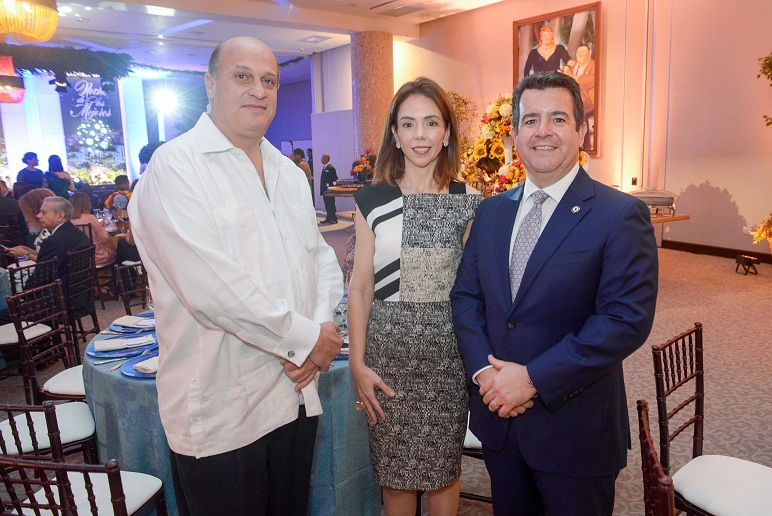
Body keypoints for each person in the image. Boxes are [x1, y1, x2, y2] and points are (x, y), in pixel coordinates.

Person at [128, 36, 343, 516]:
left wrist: (321, 326)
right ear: (210, 83)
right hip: (222, 409)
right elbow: (211, 288)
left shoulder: (288, 172)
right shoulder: (175, 167)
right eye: (242, 76)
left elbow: (318, 259)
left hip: (294, 392)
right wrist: (308, 339)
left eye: (269, 80)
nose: (258, 90)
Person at [450, 71, 658, 515]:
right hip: (500, 423)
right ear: (515, 134)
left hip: (575, 433)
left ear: (581, 130)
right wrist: (485, 376)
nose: (542, 131)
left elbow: (624, 321)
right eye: (531, 120)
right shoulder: (491, 212)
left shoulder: (620, 214)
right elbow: (466, 298)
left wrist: (531, 379)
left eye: (558, 119)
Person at [348, 76, 481, 516]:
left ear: (446, 132)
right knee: (396, 481)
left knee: (444, 475)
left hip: (447, 362)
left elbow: (475, 293)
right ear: (394, 133)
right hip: (387, 361)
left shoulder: (469, 201)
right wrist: (357, 363)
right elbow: (361, 287)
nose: (420, 135)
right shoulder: (371, 200)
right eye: (408, 124)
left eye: (431, 123)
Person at [5, 188, 55, 260]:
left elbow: (47, 261)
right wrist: (26, 250)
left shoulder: (48, 232)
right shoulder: (47, 229)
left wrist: (25, 254)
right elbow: (41, 254)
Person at [70, 192, 116, 267]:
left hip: (76, 260)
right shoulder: (90, 218)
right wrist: (102, 228)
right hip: (95, 258)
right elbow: (103, 239)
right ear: (87, 204)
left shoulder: (68, 220)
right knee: (116, 251)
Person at [319, 153, 338, 224]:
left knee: (331, 204)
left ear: (327, 159)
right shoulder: (324, 167)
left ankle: (334, 218)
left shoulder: (331, 168)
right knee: (327, 204)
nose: (321, 160)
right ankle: (329, 217)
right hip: (324, 190)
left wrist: (331, 187)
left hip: (329, 190)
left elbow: (335, 179)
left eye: (322, 158)